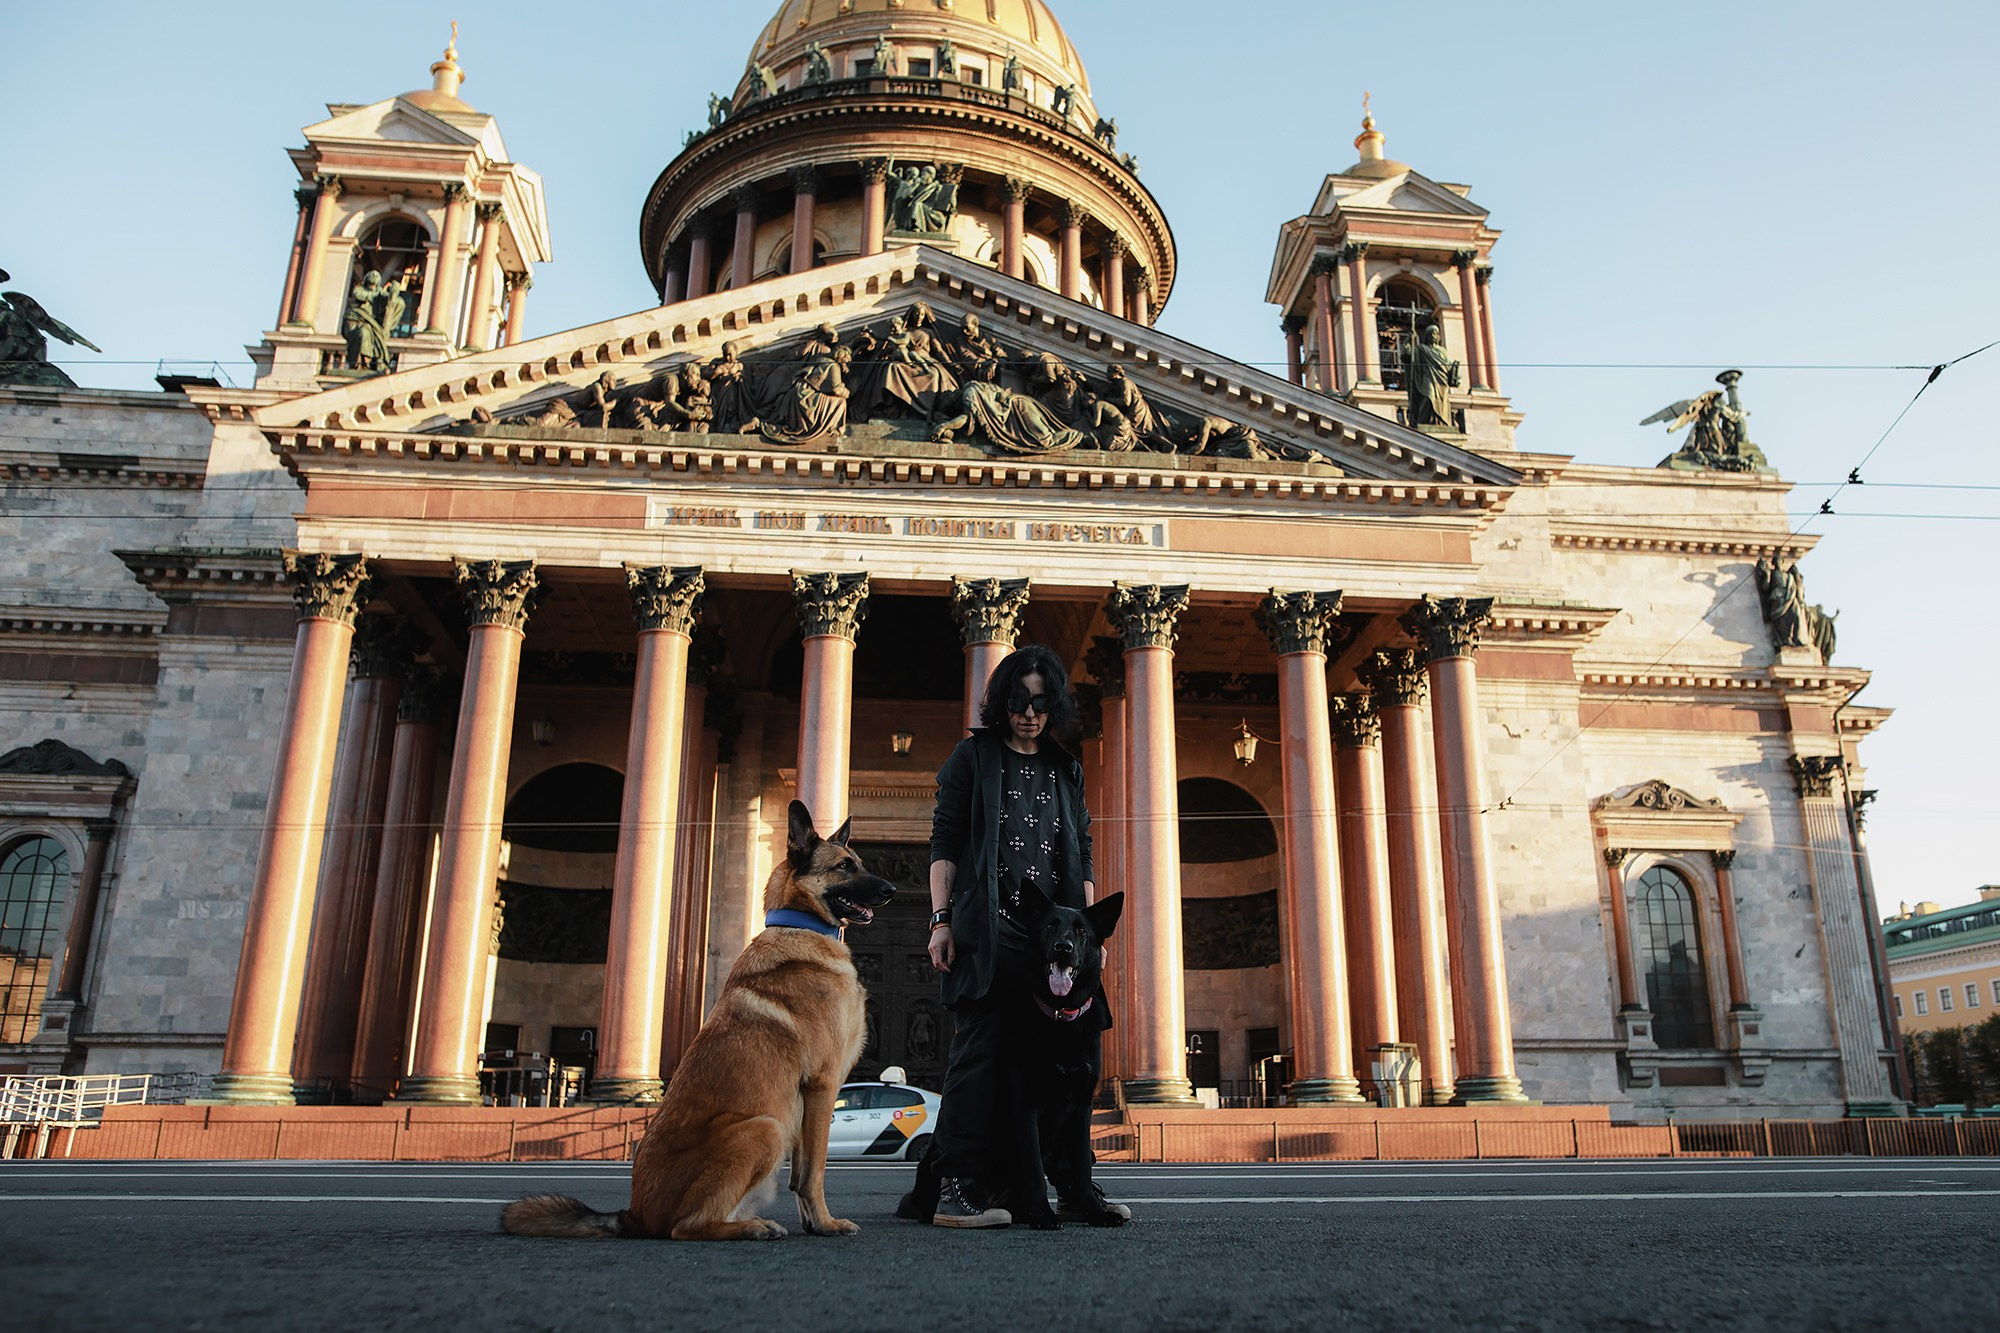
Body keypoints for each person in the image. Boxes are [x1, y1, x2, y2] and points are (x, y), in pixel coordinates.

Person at [907, 644, 1126, 1228]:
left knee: (1070, 1059)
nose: (1029, 713)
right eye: (1018, 701)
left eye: (1041, 702)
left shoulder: (1066, 767)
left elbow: (1080, 856)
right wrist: (940, 922)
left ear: (1054, 706)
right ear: (1001, 702)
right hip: (988, 931)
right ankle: (957, 1187)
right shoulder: (972, 757)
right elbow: (945, 843)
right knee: (978, 1058)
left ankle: (1073, 1185)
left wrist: (1087, 938)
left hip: (1051, 941)